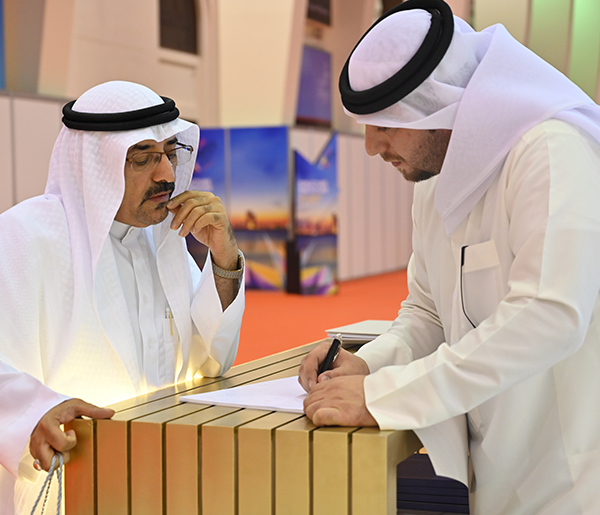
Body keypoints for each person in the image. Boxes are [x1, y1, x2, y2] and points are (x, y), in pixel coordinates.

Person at [299, 0, 600, 513]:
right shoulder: (434, 179)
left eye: (384, 125)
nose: (370, 146)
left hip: (574, 480)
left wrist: (387, 396)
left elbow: (550, 314)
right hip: (500, 477)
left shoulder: (549, 151)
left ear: (437, 107)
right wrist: (364, 366)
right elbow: (429, 314)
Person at [0, 80, 245, 513]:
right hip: (70, 489)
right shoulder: (25, 237)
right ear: (95, 164)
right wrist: (36, 411)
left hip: (167, 478)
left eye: (170, 153)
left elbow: (211, 362)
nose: (166, 175)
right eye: (143, 158)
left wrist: (223, 257)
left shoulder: (162, 240)